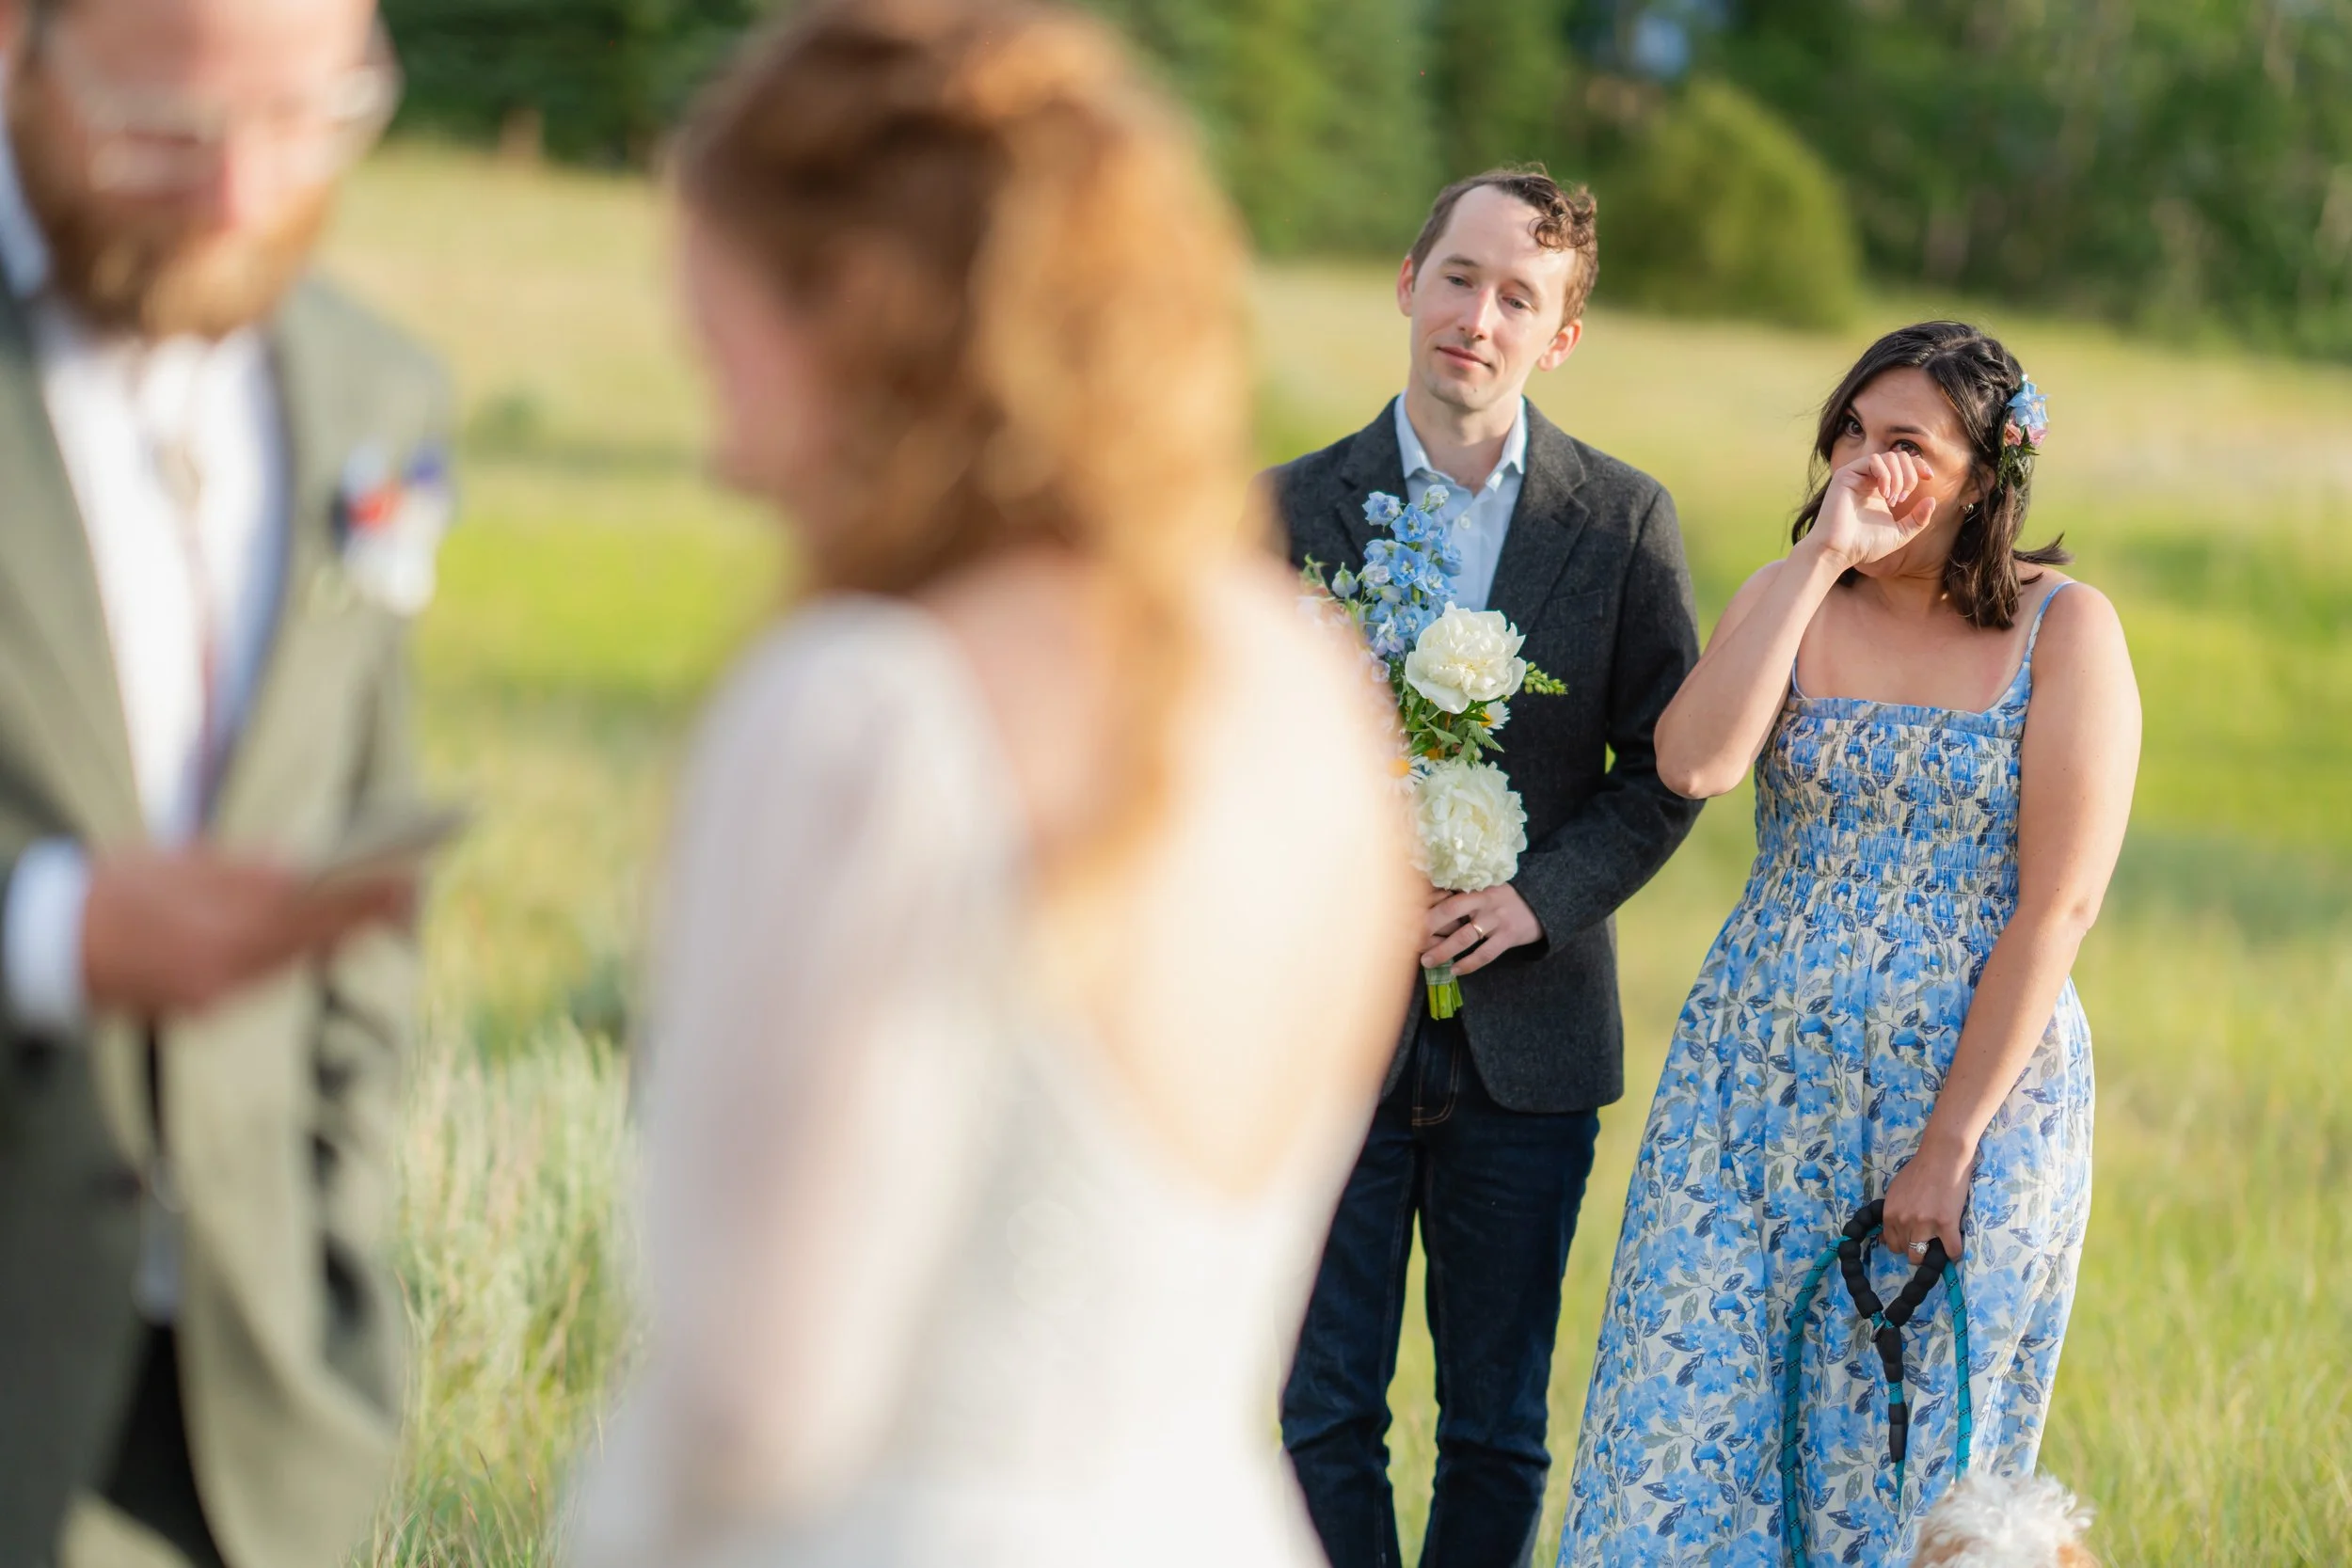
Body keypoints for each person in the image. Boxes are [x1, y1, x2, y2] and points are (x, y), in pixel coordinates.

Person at [563, 2, 1420, 1565]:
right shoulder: (1312, 693)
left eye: (725, 348)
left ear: (866, 311)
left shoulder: (868, 711)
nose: (727, 457)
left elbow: (761, 1400)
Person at [1562, 323, 2138, 1564]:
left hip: (1971, 1098)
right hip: (1751, 1085)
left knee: (1904, 1464)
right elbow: (1695, 760)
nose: (1867, 466)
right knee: (1685, 1416)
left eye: (1907, 446)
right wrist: (1823, 560)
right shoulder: (1794, 592)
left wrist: (1950, 1146)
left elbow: (2059, 907)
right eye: (1853, 433)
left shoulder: (2066, 631)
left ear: (1983, 478)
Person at [0, 1, 451, 1565]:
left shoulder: (372, 396)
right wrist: (51, 937)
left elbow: (358, 881)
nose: (243, 201)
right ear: (17, 46)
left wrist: (337, 1277)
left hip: (254, 1440)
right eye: (167, 133)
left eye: (308, 124)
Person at [1272, 167, 1704, 1568]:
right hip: (1323, 1036)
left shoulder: (1623, 523)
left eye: (1520, 295)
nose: (1479, 315)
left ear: (1560, 335)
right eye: (1459, 277)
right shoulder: (1284, 511)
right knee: (1317, 1410)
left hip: (1530, 1042)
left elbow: (1666, 772)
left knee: (1497, 1425)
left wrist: (1535, 899)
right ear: (1409, 282)